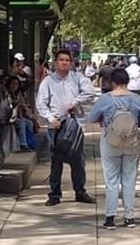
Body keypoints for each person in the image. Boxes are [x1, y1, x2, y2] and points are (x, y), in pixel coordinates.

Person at [87, 68, 140, 229]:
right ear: (127, 81)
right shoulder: (137, 99)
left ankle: (110, 217)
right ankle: (129, 217)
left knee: (111, 180)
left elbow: (91, 117)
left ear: (112, 82)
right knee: (129, 179)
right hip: (132, 143)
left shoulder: (105, 99)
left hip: (110, 142)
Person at [36, 48, 97, 206]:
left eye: (67, 60)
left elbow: (90, 92)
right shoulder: (48, 81)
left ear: (71, 62)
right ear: (56, 62)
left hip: (74, 123)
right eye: (61, 60)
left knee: (78, 159)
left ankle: (80, 191)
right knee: (56, 159)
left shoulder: (77, 78)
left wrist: (76, 102)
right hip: (55, 125)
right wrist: (50, 118)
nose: (64, 63)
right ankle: (55, 194)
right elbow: (41, 103)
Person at [5, 75, 38, 151]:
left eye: (16, 84)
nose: (14, 86)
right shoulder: (7, 94)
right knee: (22, 123)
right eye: (13, 84)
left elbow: (24, 105)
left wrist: (31, 116)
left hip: (18, 116)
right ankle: (23, 144)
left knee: (29, 123)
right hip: (9, 117)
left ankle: (30, 143)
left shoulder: (19, 94)